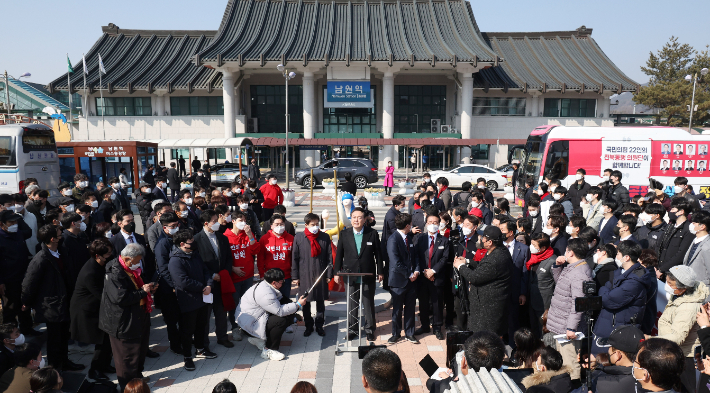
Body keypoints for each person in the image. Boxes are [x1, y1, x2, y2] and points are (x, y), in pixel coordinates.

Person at [21, 224, 84, 372]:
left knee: (63, 336)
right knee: (55, 338)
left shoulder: (61, 251)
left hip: (63, 301)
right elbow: (29, 283)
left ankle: (64, 361)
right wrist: (26, 302)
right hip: (51, 305)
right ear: (52, 238)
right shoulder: (41, 259)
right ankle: (55, 368)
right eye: (59, 233)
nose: (62, 234)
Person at [99, 243, 155, 391]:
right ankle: (127, 387)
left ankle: (137, 380)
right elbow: (121, 298)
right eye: (136, 261)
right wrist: (143, 292)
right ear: (128, 259)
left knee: (139, 352)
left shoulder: (130, 268)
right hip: (123, 322)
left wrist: (147, 289)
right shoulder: (114, 272)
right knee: (127, 358)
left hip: (138, 315)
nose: (138, 264)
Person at [168, 229, 217, 371]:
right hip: (188, 301)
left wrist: (209, 284)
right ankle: (188, 356)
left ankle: (201, 348)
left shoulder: (194, 254)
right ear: (182, 244)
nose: (194, 244)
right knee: (187, 330)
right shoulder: (175, 260)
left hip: (202, 298)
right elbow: (182, 282)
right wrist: (203, 287)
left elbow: (205, 271)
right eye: (191, 242)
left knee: (201, 326)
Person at [656, 265, 708, 392]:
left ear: (683, 288)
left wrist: (651, 339)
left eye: (669, 283)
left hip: (685, 359)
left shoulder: (688, 307)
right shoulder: (678, 296)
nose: (666, 285)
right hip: (675, 352)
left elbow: (677, 337)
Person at [546, 239, 592, 380]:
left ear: (571, 252)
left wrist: (571, 328)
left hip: (568, 326)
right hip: (562, 322)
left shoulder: (580, 273)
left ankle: (574, 386)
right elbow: (562, 284)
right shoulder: (573, 267)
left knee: (570, 362)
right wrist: (557, 266)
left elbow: (578, 303)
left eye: (566, 250)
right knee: (563, 361)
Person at [70, 238, 115, 383]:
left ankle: (104, 364)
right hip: (87, 311)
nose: (111, 255)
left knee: (107, 339)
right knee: (101, 340)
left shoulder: (100, 264)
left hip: (96, 308)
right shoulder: (90, 272)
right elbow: (101, 294)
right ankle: (94, 370)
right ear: (97, 256)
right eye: (107, 254)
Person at [334, 208, 383, 341]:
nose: (356, 220)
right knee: (352, 303)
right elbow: (339, 255)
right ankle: (352, 329)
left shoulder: (372, 233)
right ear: (350, 218)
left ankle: (369, 329)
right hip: (351, 275)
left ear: (365, 219)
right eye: (354, 217)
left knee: (368, 302)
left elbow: (378, 254)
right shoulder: (345, 234)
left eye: (359, 217)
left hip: (367, 274)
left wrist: (380, 271)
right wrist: (336, 272)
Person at [237, 268, 307, 361]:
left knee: (289, 314)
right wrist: (298, 305)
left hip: (254, 320)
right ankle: (269, 350)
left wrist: (295, 310)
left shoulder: (267, 285)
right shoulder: (265, 293)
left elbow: (282, 300)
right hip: (250, 325)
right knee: (281, 320)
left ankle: (259, 340)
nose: (283, 283)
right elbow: (280, 311)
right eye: (282, 281)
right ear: (274, 282)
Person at [453, 226, 511, 336]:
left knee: (484, 339)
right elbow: (483, 267)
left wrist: (460, 266)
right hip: (484, 305)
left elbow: (475, 277)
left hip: (488, 308)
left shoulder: (496, 258)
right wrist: (467, 261)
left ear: (490, 242)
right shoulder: (496, 251)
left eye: (483, 238)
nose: (481, 240)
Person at [593, 241, 648, 351]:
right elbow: (608, 286)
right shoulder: (620, 272)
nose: (616, 257)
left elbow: (608, 299)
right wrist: (607, 289)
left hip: (618, 329)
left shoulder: (635, 281)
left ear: (626, 257)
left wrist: (604, 289)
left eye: (618, 254)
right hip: (608, 323)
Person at [426, 332, 522, 393]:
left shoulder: (446, 388)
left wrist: (451, 379)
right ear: (501, 364)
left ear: (463, 363)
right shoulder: (514, 385)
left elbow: (434, 385)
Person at [193, 210, 234, 349]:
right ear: (206, 223)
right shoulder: (197, 239)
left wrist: (224, 273)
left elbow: (229, 258)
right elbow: (198, 262)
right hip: (207, 283)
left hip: (222, 280)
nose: (217, 223)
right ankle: (204, 342)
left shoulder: (222, 238)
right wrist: (211, 275)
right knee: (205, 315)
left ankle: (222, 337)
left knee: (221, 312)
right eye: (214, 221)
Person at [293, 213, 333, 337]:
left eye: (317, 224)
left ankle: (320, 325)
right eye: (312, 224)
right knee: (306, 302)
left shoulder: (324, 237)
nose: (315, 226)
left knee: (320, 302)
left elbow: (329, 257)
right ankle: (308, 326)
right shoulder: (299, 238)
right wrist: (295, 276)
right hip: (304, 274)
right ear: (306, 225)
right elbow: (294, 258)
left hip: (320, 274)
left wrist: (329, 274)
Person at [411, 213, 449, 340]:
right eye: (430, 222)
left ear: (439, 224)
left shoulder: (444, 240)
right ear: (426, 223)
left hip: (436, 277)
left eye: (435, 222)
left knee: (437, 303)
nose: (432, 224)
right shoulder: (419, 238)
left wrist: (433, 271)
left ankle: (437, 327)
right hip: (422, 277)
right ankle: (425, 325)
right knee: (423, 303)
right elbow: (416, 256)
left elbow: (445, 258)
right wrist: (425, 272)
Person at [224, 211, 262, 339]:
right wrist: (233, 268)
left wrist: (250, 235)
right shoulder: (226, 236)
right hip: (234, 278)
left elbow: (256, 250)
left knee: (247, 303)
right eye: (240, 220)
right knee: (234, 304)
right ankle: (235, 328)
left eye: (244, 220)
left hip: (248, 275)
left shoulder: (247, 235)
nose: (243, 223)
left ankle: (246, 326)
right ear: (233, 221)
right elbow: (222, 259)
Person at [386, 213, 420, 343]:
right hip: (399, 281)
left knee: (410, 308)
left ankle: (410, 333)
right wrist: (409, 274)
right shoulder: (393, 239)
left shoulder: (408, 238)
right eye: (410, 224)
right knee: (397, 310)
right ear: (407, 225)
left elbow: (414, 256)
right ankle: (396, 333)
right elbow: (396, 262)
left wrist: (416, 270)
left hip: (411, 281)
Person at [0, 210, 34, 336]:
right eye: (11, 222)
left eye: (16, 221)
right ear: (2, 224)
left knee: (24, 305)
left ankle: (27, 329)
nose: (14, 224)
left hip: (23, 276)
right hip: (8, 280)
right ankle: (10, 336)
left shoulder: (18, 233)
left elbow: (28, 232)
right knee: (10, 309)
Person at [498, 220, 530, 346]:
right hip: (499, 292)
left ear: (510, 232)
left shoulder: (523, 249)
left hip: (514, 292)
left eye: (502, 230)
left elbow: (524, 273)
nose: (500, 232)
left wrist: (523, 293)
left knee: (513, 322)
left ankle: (513, 348)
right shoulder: (497, 247)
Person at [525, 233, 556, 338]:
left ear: (543, 248)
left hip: (544, 303)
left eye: (534, 245)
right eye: (531, 244)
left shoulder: (553, 261)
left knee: (543, 332)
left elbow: (557, 284)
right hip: (531, 300)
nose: (531, 247)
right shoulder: (533, 257)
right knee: (533, 330)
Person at [656, 198, 694, 275]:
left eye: (673, 209)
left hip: (673, 272)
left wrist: (662, 269)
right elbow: (659, 245)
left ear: (681, 211)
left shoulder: (688, 229)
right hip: (659, 268)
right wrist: (655, 265)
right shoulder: (670, 226)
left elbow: (680, 255)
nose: (670, 212)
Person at [683, 211, 710, 285]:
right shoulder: (695, 240)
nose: (691, 225)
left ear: (702, 226)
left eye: (694, 223)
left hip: (701, 290)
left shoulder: (707, 246)